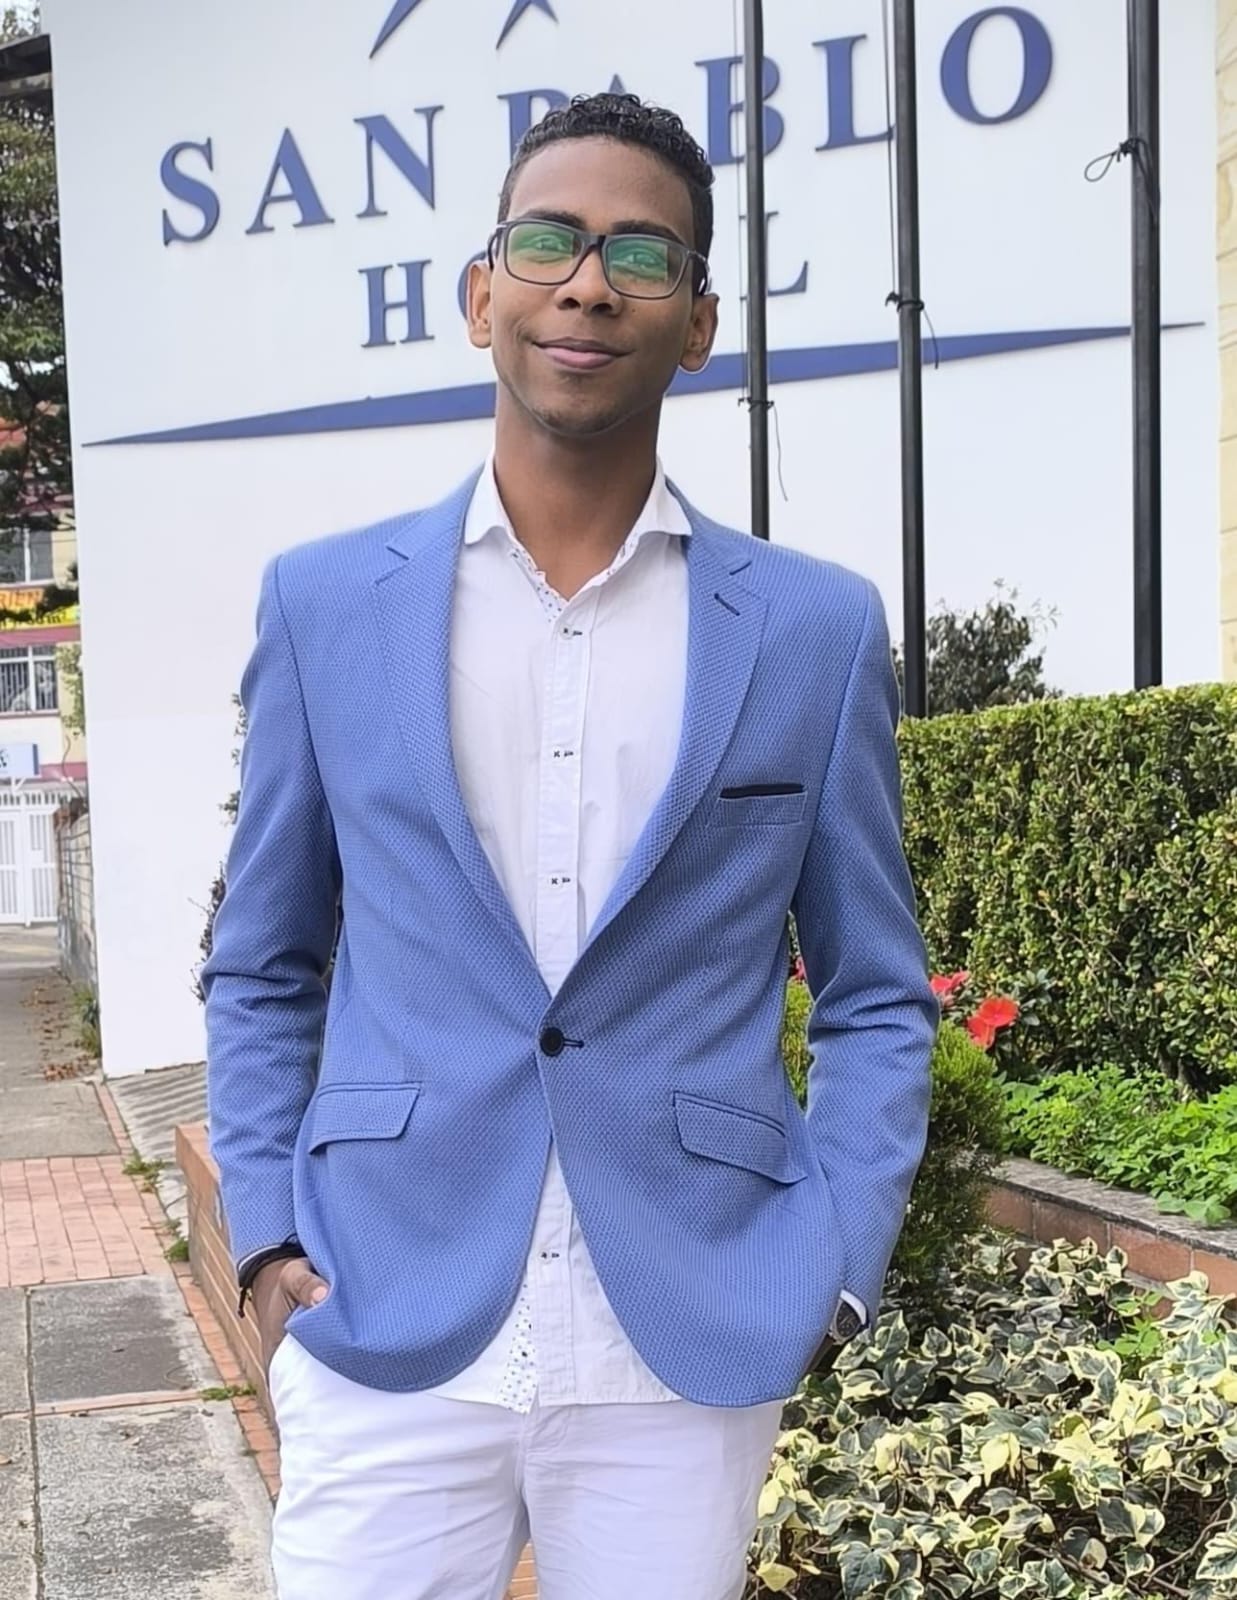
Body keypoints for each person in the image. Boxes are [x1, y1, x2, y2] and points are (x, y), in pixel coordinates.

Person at [203, 91, 937, 1600]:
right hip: (382, 1303)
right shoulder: (324, 606)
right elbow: (262, 960)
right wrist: (266, 1237)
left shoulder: (812, 628)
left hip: (688, 1325)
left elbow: (875, 991)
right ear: (482, 297)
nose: (589, 284)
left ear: (699, 323)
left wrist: (838, 1260)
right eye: (548, 243)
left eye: (641, 255)